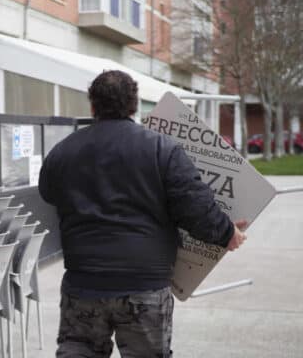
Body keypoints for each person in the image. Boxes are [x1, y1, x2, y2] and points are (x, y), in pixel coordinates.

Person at [38, 70, 247, 358]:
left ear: (93, 106)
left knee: (78, 351)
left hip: (83, 283)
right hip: (144, 287)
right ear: (134, 105)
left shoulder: (62, 152)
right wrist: (227, 233)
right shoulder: (163, 149)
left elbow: (48, 193)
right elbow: (195, 207)